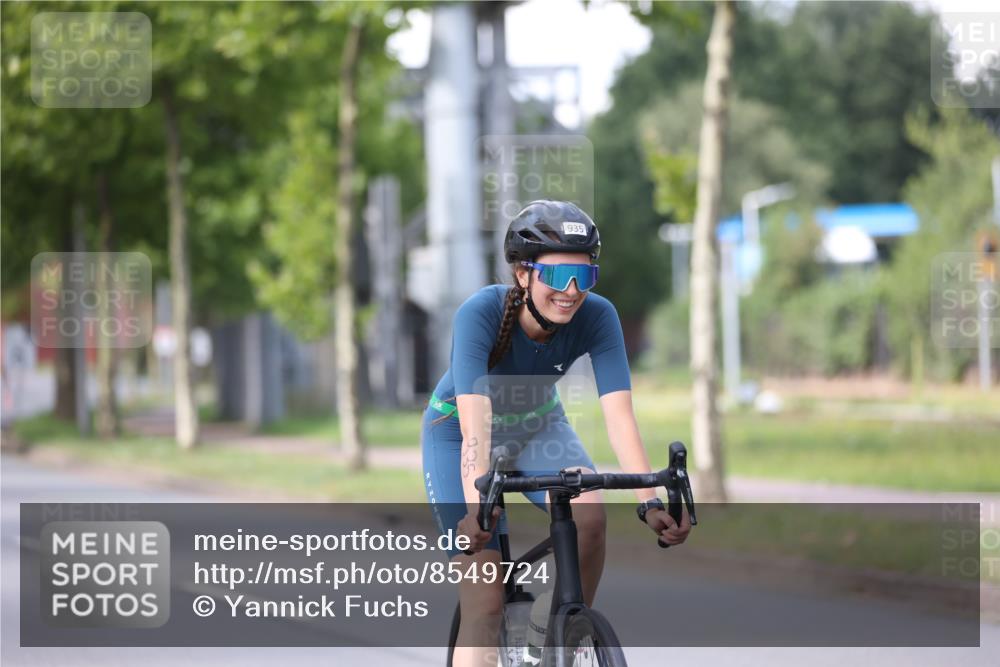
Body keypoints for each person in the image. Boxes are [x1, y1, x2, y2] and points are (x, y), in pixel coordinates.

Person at [421, 200, 691, 666]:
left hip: (537, 425)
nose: (570, 291)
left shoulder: (598, 317)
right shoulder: (479, 313)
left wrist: (648, 502)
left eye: (583, 277)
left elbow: (620, 417)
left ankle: (551, 629)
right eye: (557, 276)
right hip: (458, 432)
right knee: (484, 602)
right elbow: (474, 429)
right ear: (523, 274)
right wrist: (476, 512)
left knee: (590, 515)